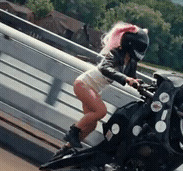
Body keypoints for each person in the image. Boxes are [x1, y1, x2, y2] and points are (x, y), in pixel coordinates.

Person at [53, 22, 149, 158]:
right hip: (84, 84)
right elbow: (105, 68)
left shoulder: (131, 62)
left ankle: (66, 149)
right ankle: (73, 132)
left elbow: (133, 78)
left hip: (92, 89)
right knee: (101, 111)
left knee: (91, 125)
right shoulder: (115, 54)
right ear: (131, 44)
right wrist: (126, 79)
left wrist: (145, 87)